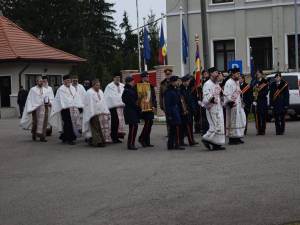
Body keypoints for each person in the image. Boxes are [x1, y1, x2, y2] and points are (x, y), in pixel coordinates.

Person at [50, 75, 84, 145]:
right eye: (67, 80)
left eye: (69, 80)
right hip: (65, 109)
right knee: (68, 124)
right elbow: (62, 100)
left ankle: (64, 137)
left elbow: (76, 97)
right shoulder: (61, 89)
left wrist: (79, 105)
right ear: (64, 81)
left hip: (73, 108)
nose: (69, 82)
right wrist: (68, 105)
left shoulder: (72, 88)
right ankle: (70, 139)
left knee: (71, 123)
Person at [201, 67, 226, 151]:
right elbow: (206, 95)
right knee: (214, 126)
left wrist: (222, 98)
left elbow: (220, 93)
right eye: (216, 72)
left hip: (218, 107)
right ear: (211, 73)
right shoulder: (207, 84)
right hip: (211, 107)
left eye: (218, 73)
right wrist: (211, 99)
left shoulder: (216, 83)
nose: (217, 74)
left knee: (220, 125)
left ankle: (217, 144)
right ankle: (205, 138)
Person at [83, 79, 112, 147]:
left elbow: (103, 102)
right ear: (93, 85)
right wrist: (92, 112)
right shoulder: (89, 92)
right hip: (92, 113)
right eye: (96, 85)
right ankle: (97, 142)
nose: (98, 86)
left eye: (99, 85)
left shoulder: (101, 91)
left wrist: (106, 111)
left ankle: (101, 140)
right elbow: (89, 104)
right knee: (95, 128)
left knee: (100, 128)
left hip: (101, 112)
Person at [20, 76, 50, 142]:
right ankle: (34, 133)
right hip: (36, 108)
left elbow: (48, 98)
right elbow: (29, 99)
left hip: (44, 108)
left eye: (42, 81)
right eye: (39, 81)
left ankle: (43, 137)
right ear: (36, 82)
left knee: (44, 123)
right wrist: (30, 107)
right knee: (35, 123)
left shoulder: (46, 89)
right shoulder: (32, 90)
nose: (41, 82)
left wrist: (49, 102)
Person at [224, 68, 246, 145]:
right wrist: (230, 102)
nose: (239, 75)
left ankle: (237, 137)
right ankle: (232, 139)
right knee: (232, 122)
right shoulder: (228, 82)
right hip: (232, 105)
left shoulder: (236, 82)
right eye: (237, 74)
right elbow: (226, 94)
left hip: (238, 105)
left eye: (239, 74)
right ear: (233, 74)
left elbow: (238, 93)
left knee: (239, 121)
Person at [104, 73, 126, 143]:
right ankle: (113, 136)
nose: (118, 79)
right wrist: (115, 102)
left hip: (121, 107)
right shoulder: (109, 86)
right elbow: (108, 97)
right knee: (114, 122)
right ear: (113, 78)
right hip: (113, 107)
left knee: (120, 122)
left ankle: (118, 136)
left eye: (119, 77)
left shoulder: (122, 85)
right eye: (116, 77)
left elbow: (124, 95)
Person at [137, 71, 157, 147]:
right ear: (142, 77)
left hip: (150, 107)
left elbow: (154, 97)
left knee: (150, 123)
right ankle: (142, 138)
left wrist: (154, 105)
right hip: (143, 108)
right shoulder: (138, 85)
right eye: (146, 76)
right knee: (147, 123)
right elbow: (138, 97)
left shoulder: (150, 86)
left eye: (148, 76)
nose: (148, 78)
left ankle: (146, 141)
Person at [164, 75, 185, 150]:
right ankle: (176, 144)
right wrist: (169, 115)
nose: (177, 82)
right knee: (175, 128)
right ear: (173, 82)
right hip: (173, 112)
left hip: (176, 110)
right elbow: (168, 104)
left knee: (174, 129)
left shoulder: (176, 89)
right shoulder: (169, 91)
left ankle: (171, 144)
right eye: (176, 81)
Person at [122, 76, 141, 150]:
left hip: (132, 110)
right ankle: (130, 144)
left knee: (134, 127)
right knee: (133, 127)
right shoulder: (127, 90)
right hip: (130, 111)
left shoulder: (130, 89)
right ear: (129, 82)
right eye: (132, 81)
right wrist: (137, 106)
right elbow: (130, 101)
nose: (133, 82)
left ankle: (131, 143)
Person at [180, 75, 198, 146]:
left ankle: (191, 139)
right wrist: (184, 109)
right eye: (187, 81)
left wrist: (194, 109)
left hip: (190, 110)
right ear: (183, 82)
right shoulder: (181, 89)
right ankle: (190, 141)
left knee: (189, 125)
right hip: (184, 110)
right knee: (187, 126)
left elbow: (191, 100)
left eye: (188, 81)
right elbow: (182, 100)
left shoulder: (189, 89)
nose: (188, 82)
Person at [253, 70, 269, 135]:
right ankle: (259, 130)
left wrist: (258, 94)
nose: (257, 75)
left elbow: (265, 92)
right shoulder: (255, 82)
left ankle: (263, 130)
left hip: (262, 101)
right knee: (258, 116)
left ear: (262, 74)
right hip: (257, 101)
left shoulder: (265, 82)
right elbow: (253, 91)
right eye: (257, 74)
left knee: (263, 116)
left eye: (259, 74)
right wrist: (254, 99)